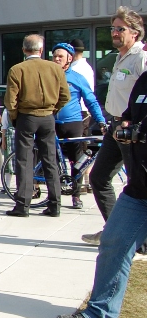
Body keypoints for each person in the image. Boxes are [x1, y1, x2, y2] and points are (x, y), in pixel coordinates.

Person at [57, 66, 147, 318]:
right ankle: (99, 314)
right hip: (139, 188)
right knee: (113, 242)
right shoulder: (144, 81)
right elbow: (129, 115)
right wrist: (126, 125)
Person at [83, 7, 147, 244]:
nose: (115, 32)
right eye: (113, 28)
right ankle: (114, 232)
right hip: (115, 128)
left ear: (135, 33)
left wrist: (137, 126)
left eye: (120, 29)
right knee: (99, 177)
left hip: (133, 131)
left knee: (137, 187)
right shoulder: (119, 57)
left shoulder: (141, 57)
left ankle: (138, 241)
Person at [3, 34, 69, 217]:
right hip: (48, 116)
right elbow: (65, 95)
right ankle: (55, 205)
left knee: (24, 161)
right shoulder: (55, 69)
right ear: (41, 50)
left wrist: (15, 117)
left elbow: (10, 100)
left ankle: (22, 205)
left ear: (24, 50)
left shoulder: (17, 69)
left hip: (26, 116)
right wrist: (53, 109)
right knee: (50, 160)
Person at [52, 43, 105, 209]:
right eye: (54, 56)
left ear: (69, 58)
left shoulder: (77, 78)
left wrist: (101, 120)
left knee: (77, 160)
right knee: (50, 160)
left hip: (73, 123)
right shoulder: (47, 76)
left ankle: (76, 195)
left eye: (60, 56)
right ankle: (53, 197)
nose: (57, 59)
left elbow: (91, 101)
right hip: (51, 123)